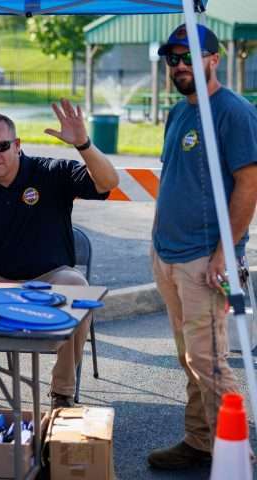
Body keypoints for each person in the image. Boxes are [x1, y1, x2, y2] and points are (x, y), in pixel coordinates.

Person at [0, 104, 119, 415]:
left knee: (77, 288)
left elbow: (108, 182)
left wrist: (83, 144)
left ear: (17, 145)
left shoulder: (50, 172)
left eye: (2, 146)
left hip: (50, 277)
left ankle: (62, 392)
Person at [148, 24, 257, 470]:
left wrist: (224, 254)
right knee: (188, 357)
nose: (179, 66)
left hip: (203, 259)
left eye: (189, 56)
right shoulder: (179, 112)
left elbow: (248, 185)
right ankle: (200, 440)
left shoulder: (234, 112)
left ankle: (236, 455)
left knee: (208, 360)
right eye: (172, 59)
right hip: (168, 255)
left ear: (213, 59)